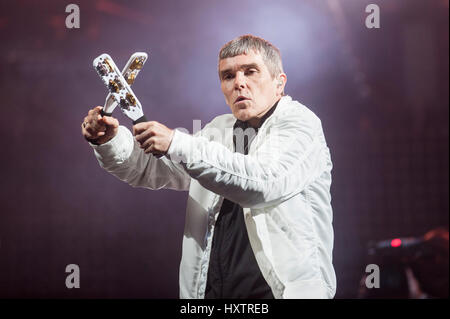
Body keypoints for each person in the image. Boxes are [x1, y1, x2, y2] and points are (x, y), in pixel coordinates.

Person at [81, 35, 336, 299]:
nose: (239, 83)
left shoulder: (300, 124)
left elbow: (262, 183)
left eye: (250, 71)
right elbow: (152, 169)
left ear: (279, 82)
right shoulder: (218, 131)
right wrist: (110, 140)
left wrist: (177, 142)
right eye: (228, 76)